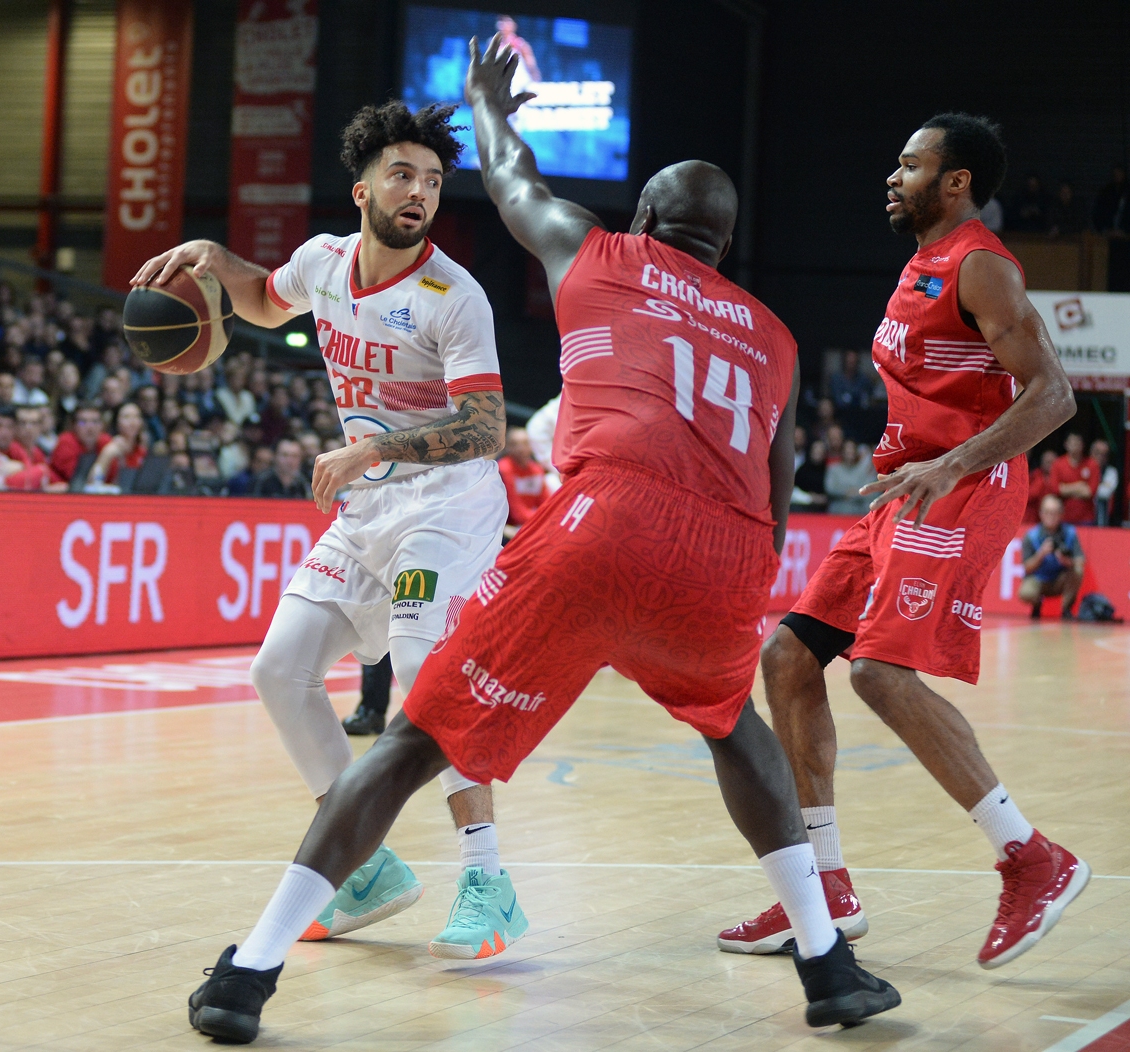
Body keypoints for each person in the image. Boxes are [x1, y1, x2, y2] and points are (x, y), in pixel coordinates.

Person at [184, 41, 901, 1045]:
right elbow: (774, 503)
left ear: (643, 222)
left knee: (410, 739)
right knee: (731, 725)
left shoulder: (596, 250)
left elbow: (513, 178)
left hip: (593, 520)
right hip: (728, 553)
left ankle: (246, 972)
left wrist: (485, 101)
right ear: (724, 248)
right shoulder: (773, 336)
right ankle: (827, 964)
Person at [137, 97, 521, 967]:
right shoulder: (321, 262)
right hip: (368, 505)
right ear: (363, 190)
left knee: (425, 667)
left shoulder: (453, 296)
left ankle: (487, 879)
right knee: (279, 669)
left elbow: (485, 429)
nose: (418, 191)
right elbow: (265, 305)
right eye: (402, 175)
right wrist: (211, 255)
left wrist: (372, 447)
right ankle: (368, 867)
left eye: (430, 180)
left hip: (448, 504)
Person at [722, 114, 1087, 971]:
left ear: (955, 182)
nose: (893, 175)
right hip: (905, 487)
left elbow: (1056, 395)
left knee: (880, 671)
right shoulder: (921, 263)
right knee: (787, 658)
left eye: (910, 164)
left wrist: (952, 461)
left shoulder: (980, 264)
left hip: (961, 486)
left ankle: (1032, 860)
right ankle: (825, 887)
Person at [1020, 495, 1085, 619]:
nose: (1051, 516)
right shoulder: (1031, 536)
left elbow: (1080, 561)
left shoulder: (1070, 533)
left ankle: (1066, 609)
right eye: (1047, 512)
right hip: (1039, 579)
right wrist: (1041, 554)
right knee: (1025, 592)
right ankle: (1037, 605)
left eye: (1054, 512)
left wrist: (1067, 562)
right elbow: (1026, 568)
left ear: (1061, 514)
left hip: (1060, 579)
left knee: (1078, 571)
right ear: (1041, 514)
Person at [498, 426, 546, 538]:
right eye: (515, 444)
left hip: (531, 523)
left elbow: (546, 501)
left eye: (525, 443)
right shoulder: (503, 469)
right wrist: (543, 520)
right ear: (507, 447)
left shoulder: (536, 470)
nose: (520, 449)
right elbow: (516, 511)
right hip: (507, 525)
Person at [1049, 432, 1097, 525]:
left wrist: (1065, 488)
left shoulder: (1092, 464)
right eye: (1072, 442)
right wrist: (1079, 486)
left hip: (1086, 518)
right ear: (1066, 444)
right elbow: (1055, 489)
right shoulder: (1058, 464)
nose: (1075, 446)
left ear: (1083, 445)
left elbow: (1090, 491)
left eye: (1078, 443)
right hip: (1062, 517)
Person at [824, 439, 875, 515]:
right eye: (847, 449)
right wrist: (846, 492)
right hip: (836, 512)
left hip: (858, 513)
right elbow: (830, 488)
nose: (849, 452)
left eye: (852, 449)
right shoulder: (833, 469)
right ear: (842, 452)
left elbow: (868, 490)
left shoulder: (863, 470)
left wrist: (855, 493)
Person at [1025, 447, 1057, 523]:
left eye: (1052, 462)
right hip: (1032, 518)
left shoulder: (1060, 476)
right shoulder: (1035, 475)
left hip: (1053, 517)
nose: (1049, 465)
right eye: (1047, 462)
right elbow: (1028, 495)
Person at [1091, 438, 1117, 525]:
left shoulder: (1111, 472)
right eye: (1097, 453)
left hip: (1104, 519)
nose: (1100, 457)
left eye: (1104, 454)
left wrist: (1087, 488)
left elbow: (1104, 493)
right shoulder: (1084, 468)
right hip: (1084, 517)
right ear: (1091, 453)